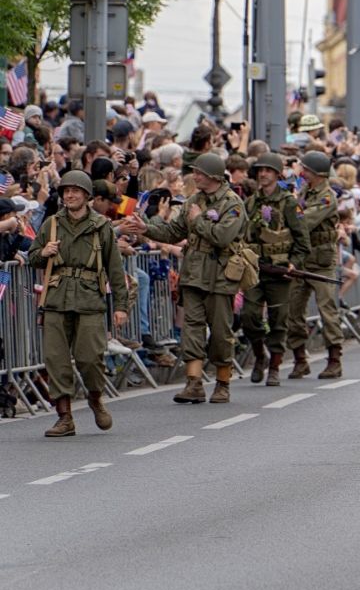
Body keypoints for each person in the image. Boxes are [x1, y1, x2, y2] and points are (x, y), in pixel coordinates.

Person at [119, 152, 246, 405]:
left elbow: (221, 237)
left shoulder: (232, 204)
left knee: (220, 332)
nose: (194, 176)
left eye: (199, 172)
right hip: (194, 275)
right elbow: (173, 231)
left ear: (212, 176)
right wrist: (147, 229)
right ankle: (194, 383)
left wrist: (198, 219)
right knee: (192, 330)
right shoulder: (193, 201)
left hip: (220, 276)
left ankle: (222, 383)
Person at [30, 170, 130, 437]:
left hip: (88, 299)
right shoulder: (51, 224)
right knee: (55, 359)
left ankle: (95, 397)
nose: (70, 195)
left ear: (87, 196)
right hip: (56, 298)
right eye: (66, 191)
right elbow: (31, 258)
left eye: (75, 191)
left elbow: (115, 269)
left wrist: (121, 305)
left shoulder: (102, 226)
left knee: (90, 357)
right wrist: (43, 252)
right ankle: (64, 417)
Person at [240, 153, 309, 386]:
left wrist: (294, 264)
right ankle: (260, 355)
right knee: (249, 316)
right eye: (260, 170)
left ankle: (275, 367)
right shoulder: (251, 202)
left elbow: (302, 240)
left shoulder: (289, 202)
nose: (263, 174)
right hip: (255, 269)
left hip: (280, 271)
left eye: (268, 170)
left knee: (279, 319)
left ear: (278, 173)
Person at [288, 150, 345, 379]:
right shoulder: (304, 191)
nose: (303, 173)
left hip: (322, 261)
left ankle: (334, 359)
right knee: (293, 311)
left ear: (318, 174)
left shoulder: (327, 196)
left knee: (327, 310)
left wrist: (289, 215)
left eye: (307, 170)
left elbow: (305, 221)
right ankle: (300, 359)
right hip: (302, 259)